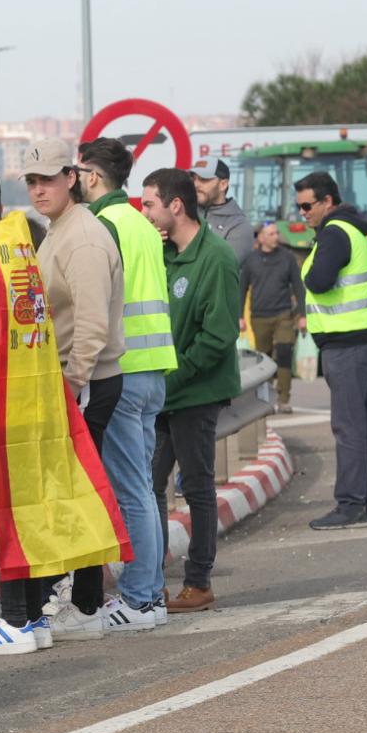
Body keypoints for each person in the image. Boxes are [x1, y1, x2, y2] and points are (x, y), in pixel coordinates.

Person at [0, 171, 129, 657]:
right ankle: (32, 621)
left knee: (1, 518)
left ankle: (15, 621)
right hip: (33, 406)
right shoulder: (20, 251)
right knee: (25, 514)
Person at [21, 138, 129, 637]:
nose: (38, 189)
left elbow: (90, 325)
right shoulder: (59, 230)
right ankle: (82, 597)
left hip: (83, 379)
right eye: (31, 181)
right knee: (71, 492)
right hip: (70, 377)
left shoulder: (82, 237)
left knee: (78, 494)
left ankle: (84, 604)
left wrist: (72, 381)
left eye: (48, 179)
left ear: (73, 177)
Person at [78, 138, 180, 626]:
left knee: (131, 488)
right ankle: (153, 594)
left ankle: (139, 598)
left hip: (123, 369)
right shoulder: (141, 223)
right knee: (141, 485)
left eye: (77, 172)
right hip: (154, 367)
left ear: (93, 176)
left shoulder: (103, 226)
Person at [140, 168, 240, 614]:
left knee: (196, 486)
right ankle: (151, 581)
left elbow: (218, 338)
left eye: (149, 204)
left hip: (195, 392)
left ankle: (198, 581)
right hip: (162, 393)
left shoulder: (215, 257)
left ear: (175, 205)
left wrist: (170, 378)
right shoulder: (160, 254)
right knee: (148, 485)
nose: (144, 213)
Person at [297, 171, 367, 531]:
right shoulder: (353, 229)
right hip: (363, 336)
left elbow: (319, 280)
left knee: (348, 427)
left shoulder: (334, 234)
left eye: (307, 205)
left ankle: (350, 506)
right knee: (363, 425)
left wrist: (303, 275)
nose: (302, 213)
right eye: (299, 206)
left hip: (347, 340)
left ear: (327, 202)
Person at [240, 219, 307, 414]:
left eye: (276, 233)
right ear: (261, 237)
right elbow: (241, 289)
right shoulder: (251, 260)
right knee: (264, 360)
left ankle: (284, 398)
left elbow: (298, 287)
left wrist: (302, 314)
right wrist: (239, 316)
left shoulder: (287, 258)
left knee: (285, 352)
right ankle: (265, 402)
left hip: (283, 314)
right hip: (259, 317)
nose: (276, 237)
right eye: (271, 234)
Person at [191, 157, 255, 264]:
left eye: (203, 179)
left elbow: (222, 267)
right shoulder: (184, 212)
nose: (196, 184)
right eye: (193, 179)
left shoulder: (239, 225)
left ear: (223, 185)